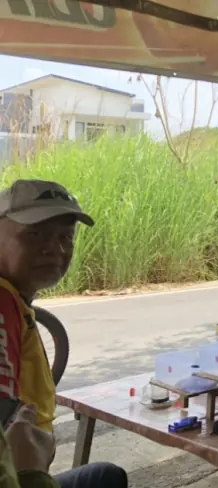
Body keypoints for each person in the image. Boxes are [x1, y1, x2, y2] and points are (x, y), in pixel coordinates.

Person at [0, 180, 127, 488]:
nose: (55, 249)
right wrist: (31, 473)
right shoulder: (3, 305)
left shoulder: (15, 300)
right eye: (34, 234)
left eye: (65, 237)